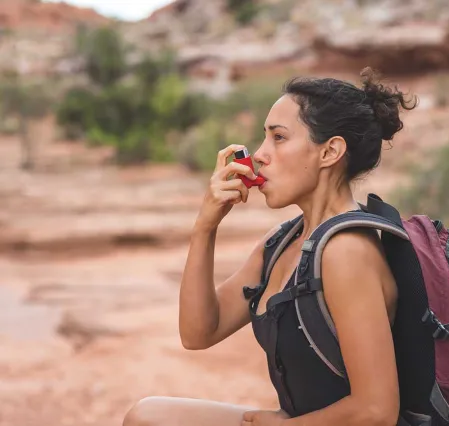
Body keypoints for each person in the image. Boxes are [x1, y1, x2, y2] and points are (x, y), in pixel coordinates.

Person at [123, 67, 417, 426]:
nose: (260, 155)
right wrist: (205, 226)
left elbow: (376, 411)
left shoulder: (346, 251)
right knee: (149, 416)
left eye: (278, 138)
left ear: (330, 152)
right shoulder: (281, 242)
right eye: (264, 138)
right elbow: (199, 332)